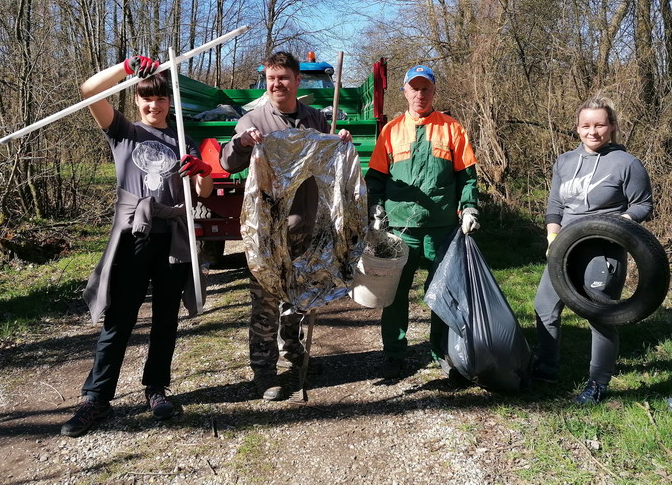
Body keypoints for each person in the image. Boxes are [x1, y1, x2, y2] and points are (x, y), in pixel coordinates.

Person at [61, 55, 214, 436]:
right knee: (121, 316)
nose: (153, 105)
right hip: (134, 234)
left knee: (166, 317)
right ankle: (96, 398)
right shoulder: (122, 132)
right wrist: (126, 68)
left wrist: (204, 172)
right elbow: (88, 91)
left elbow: (202, 192)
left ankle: (156, 388)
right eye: (146, 98)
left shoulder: (183, 140)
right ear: (136, 101)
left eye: (160, 98)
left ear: (168, 102)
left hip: (174, 238)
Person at [219, 50, 352, 401]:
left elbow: (328, 165)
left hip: (304, 231)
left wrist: (340, 143)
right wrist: (241, 143)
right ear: (267, 81)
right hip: (267, 235)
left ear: (296, 81)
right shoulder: (254, 121)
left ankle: (295, 354)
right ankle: (264, 372)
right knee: (264, 304)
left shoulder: (315, 120)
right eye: (272, 79)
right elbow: (228, 162)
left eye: (284, 78)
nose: (277, 84)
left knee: (299, 299)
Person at [533, 97, 652, 404]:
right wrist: (551, 238)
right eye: (586, 125)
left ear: (611, 126)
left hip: (603, 250)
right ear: (577, 128)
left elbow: (643, 204)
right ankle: (544, 369)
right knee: (545, 308)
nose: (593, 132)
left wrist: (620, 225)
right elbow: (555, 205)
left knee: (600, 316)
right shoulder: (565, 161)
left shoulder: (627, 164)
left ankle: (598, 384)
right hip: (564, 248)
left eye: (600, 124)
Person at [365, 65, 479, 380]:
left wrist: (469, 207)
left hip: (442, 228)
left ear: (433, 91)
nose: (420, 94)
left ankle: (442, 351)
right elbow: (375, 178)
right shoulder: (391, 131)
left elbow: (467, 176)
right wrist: (375, 210)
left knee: (443, 292)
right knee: (395, 293)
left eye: (425, 88)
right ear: (404, 91)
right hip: (400, 230)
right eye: (414, 88)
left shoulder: (452, 128)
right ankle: (394, 354)